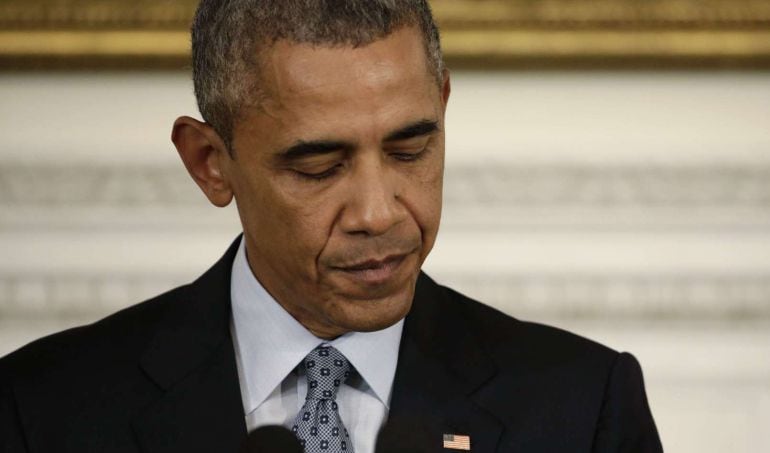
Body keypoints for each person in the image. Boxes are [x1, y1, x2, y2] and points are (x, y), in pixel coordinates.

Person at [0, 1, 663, 452]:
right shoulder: (41, 411)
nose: (378, 212)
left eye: (411, 149)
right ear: (210, 163)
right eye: (319, 166)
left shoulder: (582, 409)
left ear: (443, 106)